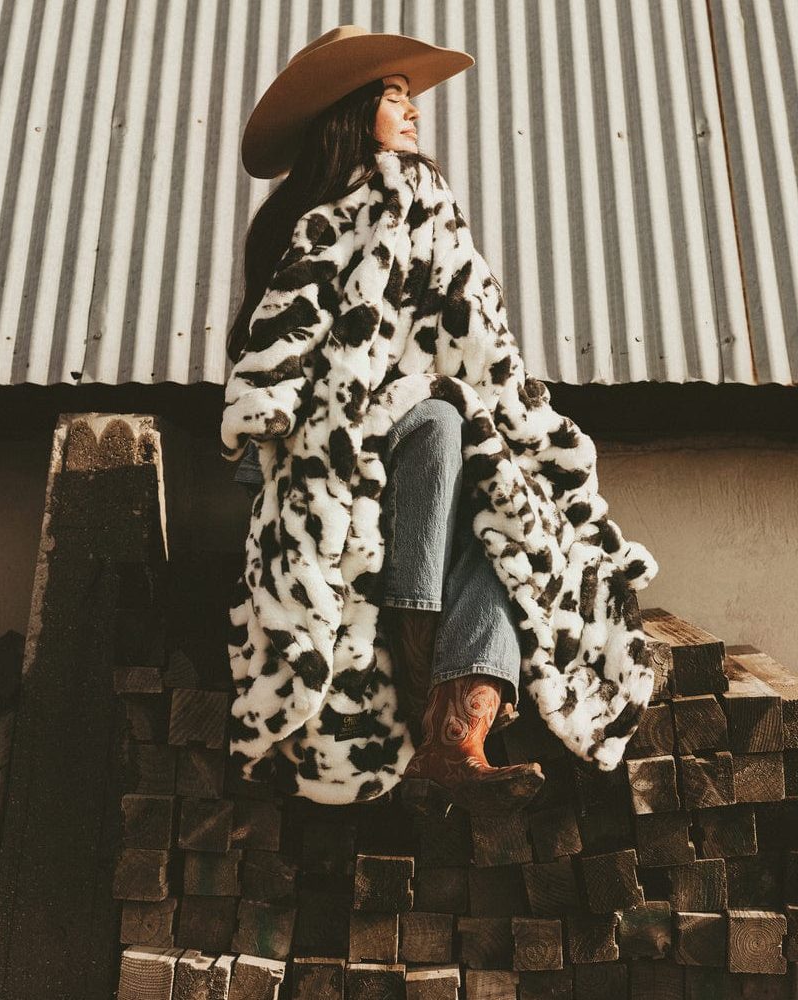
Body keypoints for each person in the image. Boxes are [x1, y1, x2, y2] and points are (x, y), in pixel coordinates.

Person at [223, 26, 656, 813]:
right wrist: (276, 425)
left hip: (436, 457)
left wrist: (544, 446)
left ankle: (457, 737)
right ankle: (419, 651)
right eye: (394, 97)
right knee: (435, 417)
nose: (413, 110)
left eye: (408, 97)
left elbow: (488, 348)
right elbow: (276, 350)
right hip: (343, 451)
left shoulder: (435, 213)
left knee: (512, 533)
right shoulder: (313, 224)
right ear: (351, 113)